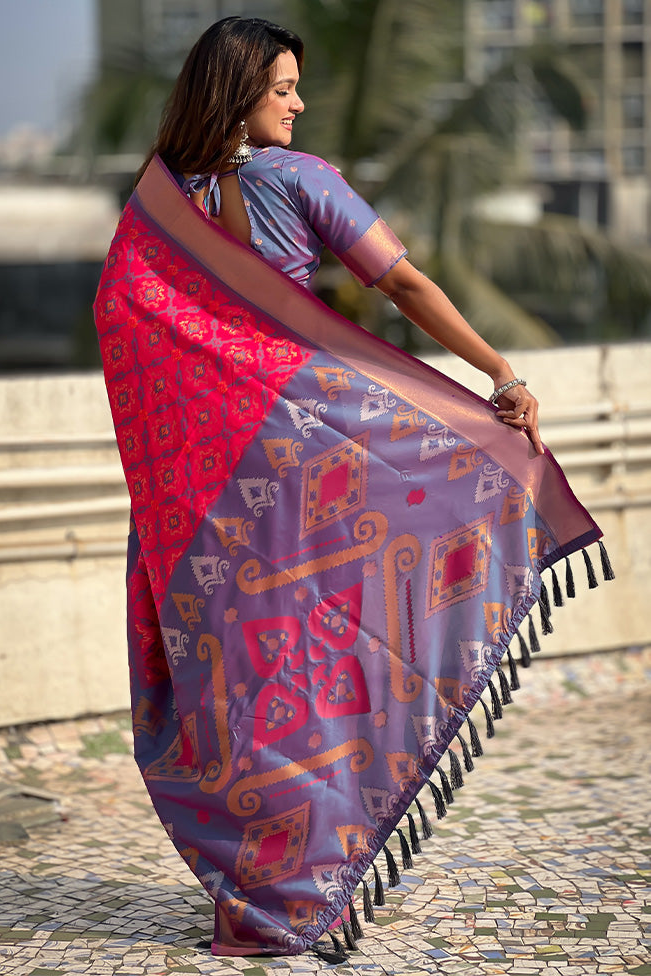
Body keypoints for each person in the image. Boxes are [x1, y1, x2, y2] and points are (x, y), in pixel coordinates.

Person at [94, 16, 610, 960]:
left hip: (204, 498)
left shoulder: (157, 213)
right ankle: (296, 889)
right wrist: (498, 373)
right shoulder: (299, 180)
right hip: (304, 465)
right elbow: (402, 286)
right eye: (283, 86)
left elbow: (125, 333)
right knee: (318, 665)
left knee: (245, 680)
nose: (298, 102)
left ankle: (258, 896)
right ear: (241, 90)